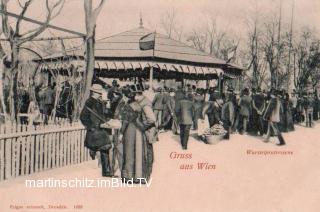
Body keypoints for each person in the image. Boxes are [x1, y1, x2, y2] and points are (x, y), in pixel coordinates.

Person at [120, 85, 156, 183]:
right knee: (137, 153)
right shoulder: (139, 103)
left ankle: (132, 177)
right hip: (138, 131)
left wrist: (142, 126)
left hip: (136, 130)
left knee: (132, 152)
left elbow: (152, 119)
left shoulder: (143, 103)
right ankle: (137, 177)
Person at [80, 84, 113, 177]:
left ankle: (106, 171)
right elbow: (83, 117)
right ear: (94, 92)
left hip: (99, 129)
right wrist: (91, 126)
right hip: (95, 130)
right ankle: (106, 171)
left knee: (104, 148)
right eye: (98, 93)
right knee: (104, 147)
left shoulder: (98, 101)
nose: (100, 94)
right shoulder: (90, 102)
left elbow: (101, 115)